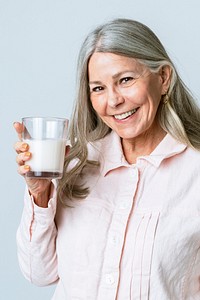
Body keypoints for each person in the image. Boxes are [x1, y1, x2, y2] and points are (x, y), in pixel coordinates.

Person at [14, 18, 200, 300]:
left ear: (163, 78)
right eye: (98, 88)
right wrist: (40, 195)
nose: (113, 101)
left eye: (125, 80)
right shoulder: (76, 163)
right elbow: (40, 273)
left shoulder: (194, 171)